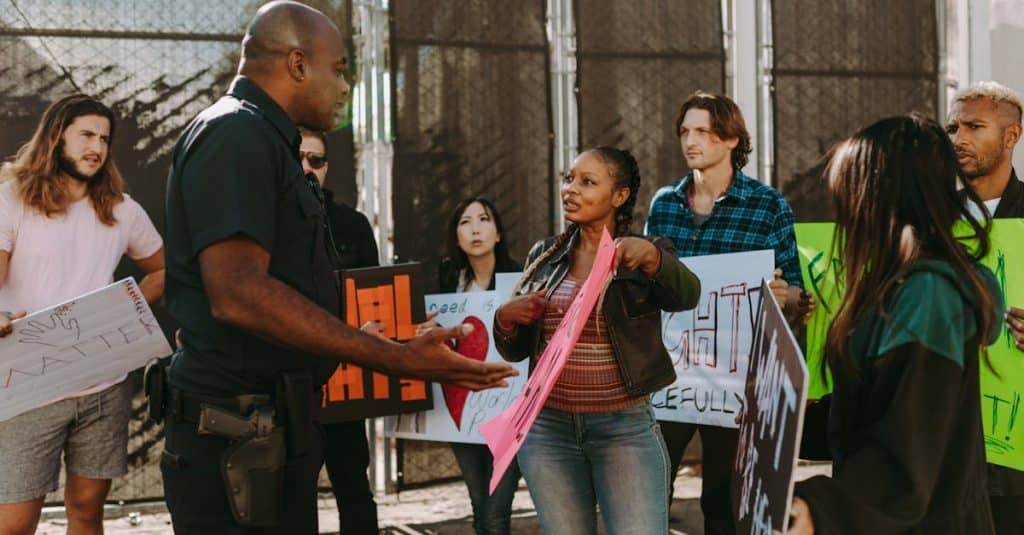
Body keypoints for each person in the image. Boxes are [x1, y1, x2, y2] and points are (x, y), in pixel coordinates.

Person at [159, 2, 515, 532]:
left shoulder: (268, 141)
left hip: (272, 428)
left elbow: (280, 288)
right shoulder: (237, 134)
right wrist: (391, 359)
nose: (346, 85)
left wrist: (367, 342)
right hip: (234, 434)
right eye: (341, 68)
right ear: (298, 64)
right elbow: (238, 292)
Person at [788, 114, 1003, 534]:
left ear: (881, 197)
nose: (844, 215)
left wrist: (820, 508)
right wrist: (786, 422)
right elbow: (874, 406)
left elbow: (907, 447)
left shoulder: (928, 295)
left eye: (848, 196)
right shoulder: (898, 284)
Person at [494, 147, 701, 534]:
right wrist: (504, 319)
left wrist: (655, 258)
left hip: (623, 430)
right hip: (547, 432)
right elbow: (518, 350)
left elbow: (687, 295)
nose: (571, 190)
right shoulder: (545, 255)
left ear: (619, 196)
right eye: (568, 179)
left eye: (587, 182)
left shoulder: (642, 252)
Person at [644, 90, 811, 534]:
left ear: (732, 139)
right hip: (671, 373)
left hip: (734, 378)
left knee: (724, 500)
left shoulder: (768, 204)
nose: (690, 141)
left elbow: (799, 294)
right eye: (684, 131)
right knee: (647, 486)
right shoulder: (664, 203)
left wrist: (782, 293)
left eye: (702, 131)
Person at [0, 94, 165, 535]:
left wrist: (125, 312)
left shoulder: (122, 209)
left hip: (102, 385)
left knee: (88, 511)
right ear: (57, 138)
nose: (97, 147)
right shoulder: (11, 199)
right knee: (14, 523)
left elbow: (163, 269)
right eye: (86, 135)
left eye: (105, 139)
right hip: (29, 384)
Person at [946, 80, 1024, 534]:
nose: (958, 138)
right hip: (944, 441)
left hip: (1015, 452)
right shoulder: (929, 216)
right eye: (953, 127)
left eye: (974, 126)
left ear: (1012, 136)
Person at [300, 127, 380, 533]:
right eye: (300, 158)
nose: (308, 168)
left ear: (327, 167)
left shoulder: (351, 223)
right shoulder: (267, 220)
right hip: (293, 378)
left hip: (345, 374)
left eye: (317, 160)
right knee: (294, 492)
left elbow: (376, 293)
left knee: (353, 480)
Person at [438, 197, 523, 535]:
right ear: (456, 235)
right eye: (465, 221)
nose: (475, 228)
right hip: (463, 410)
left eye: (484, 219)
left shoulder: (518, 280)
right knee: (479, 507)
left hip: (509, 411)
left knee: (496, 511)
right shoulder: (447, 281)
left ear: (498, 233)